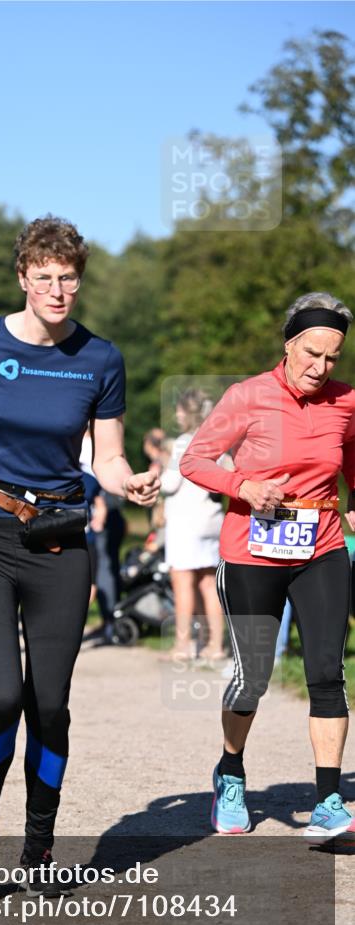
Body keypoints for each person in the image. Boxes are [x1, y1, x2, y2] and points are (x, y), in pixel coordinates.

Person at [0, 215, 159, 897]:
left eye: (68, 279)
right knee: (0, 694)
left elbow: (106, 456)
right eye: (44, 276)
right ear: (22, 276)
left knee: (48, 705)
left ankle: (39, 847)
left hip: (57, 539)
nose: (57, 289)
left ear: (79, 281)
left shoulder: (99, 358)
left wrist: (129, 482)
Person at [180, 292, 354, 842]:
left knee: (327, 672)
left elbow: (353, 457)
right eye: (312, 354)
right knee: (253, 677)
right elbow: (195, 460)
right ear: (289, 345)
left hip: (322, 544)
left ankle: (328, 799)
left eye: (332, 358)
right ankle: (230, 770)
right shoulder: (247, 395)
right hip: (252, 550)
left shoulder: (347, 402)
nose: (320, 368)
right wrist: (244, 485)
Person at [161, 389, 226, 663]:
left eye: (180, 410)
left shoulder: (183, 443)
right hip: (211, 519)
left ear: (189, 413)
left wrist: (159, 471)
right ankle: (215, 645)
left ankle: (183, 644)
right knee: (209, 583)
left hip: (186, 522)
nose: (177, 414)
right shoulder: (220, 443)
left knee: (183, 582)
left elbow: (169, 483)